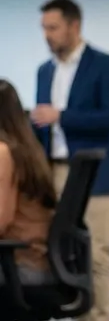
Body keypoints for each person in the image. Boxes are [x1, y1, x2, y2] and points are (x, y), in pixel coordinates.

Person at [31, 0, 109, 321]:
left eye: (52, 27)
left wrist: (62, 116)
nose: (47, 35)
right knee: (66, 256)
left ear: (74, 25)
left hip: (96, 174)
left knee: (98, 257)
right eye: (44, 28)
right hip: (54, 171)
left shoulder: (104, 65)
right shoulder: (45, 70)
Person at [0, 80, 57, 286]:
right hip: (37, 261)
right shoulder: (30, 149)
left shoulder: (3, 152)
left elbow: (1, 221)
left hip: (19, 266)